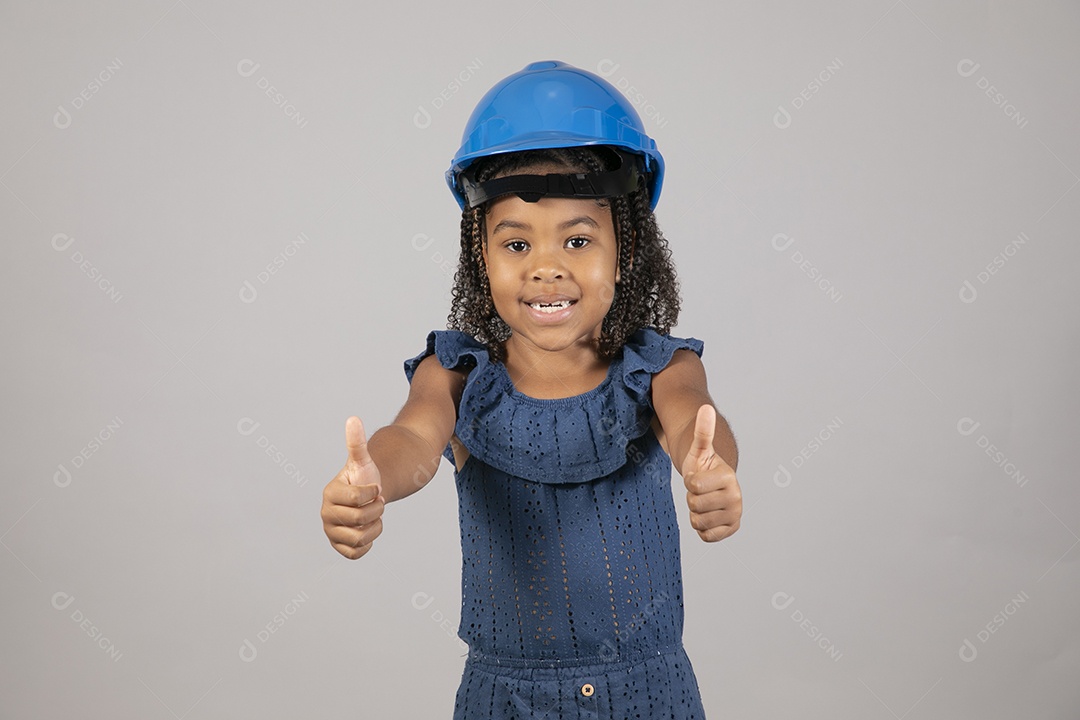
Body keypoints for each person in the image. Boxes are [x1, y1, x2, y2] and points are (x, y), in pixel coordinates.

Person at [320, 60, 742, 719]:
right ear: (480, 254)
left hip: (650, 694)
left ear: (627, 248)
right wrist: (372, 478)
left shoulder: (659, 369)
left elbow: (695, 422)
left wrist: (710, 469)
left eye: (578, 238)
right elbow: (413, 435)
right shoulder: (459, 374)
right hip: (507, 699)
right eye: (516, 244)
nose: (547, 266)